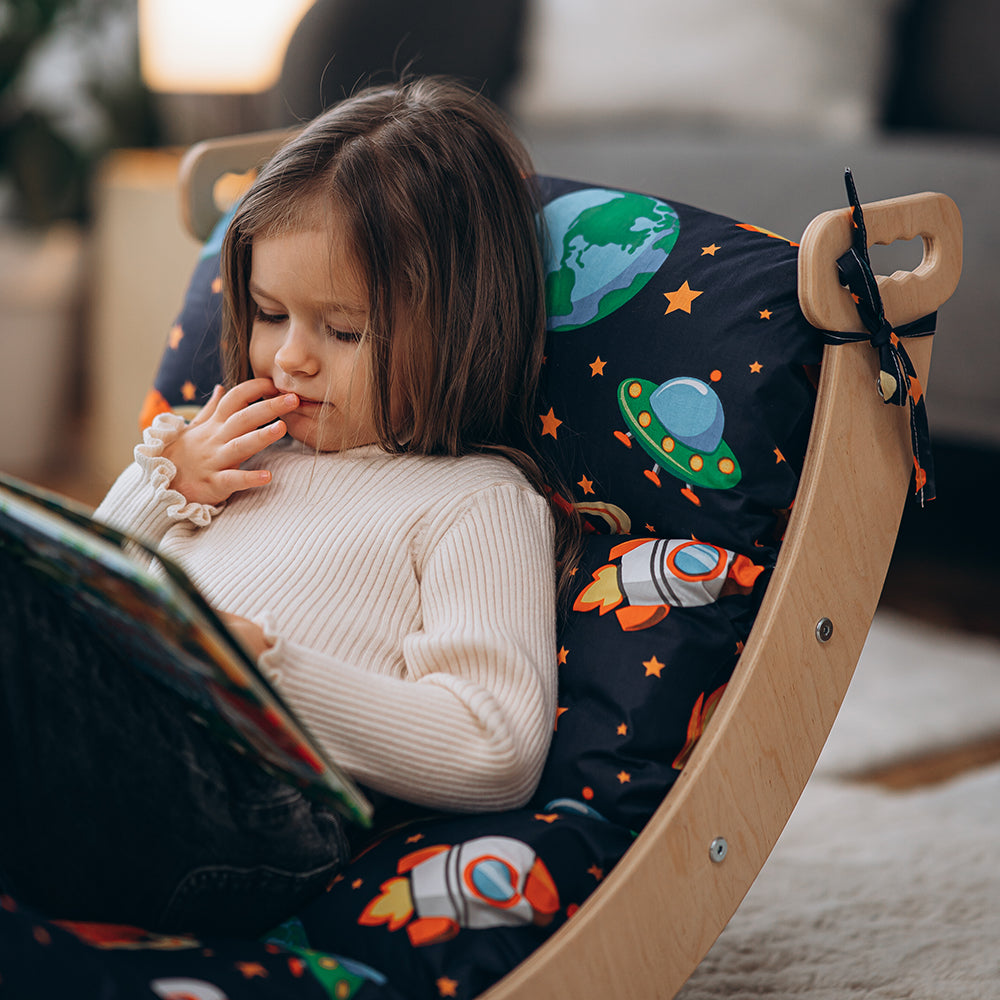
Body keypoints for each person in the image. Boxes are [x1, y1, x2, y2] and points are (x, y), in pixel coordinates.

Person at [0, 77, 569, 936]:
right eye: (269, 314)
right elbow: (84, 608)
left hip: (252, 812)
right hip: (118, 759)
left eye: (343, 331)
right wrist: (165, 487)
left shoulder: (474, 502)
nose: (289, 358)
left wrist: (266, 667)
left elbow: (495, 746)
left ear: (464, 327)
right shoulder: (228, 450)